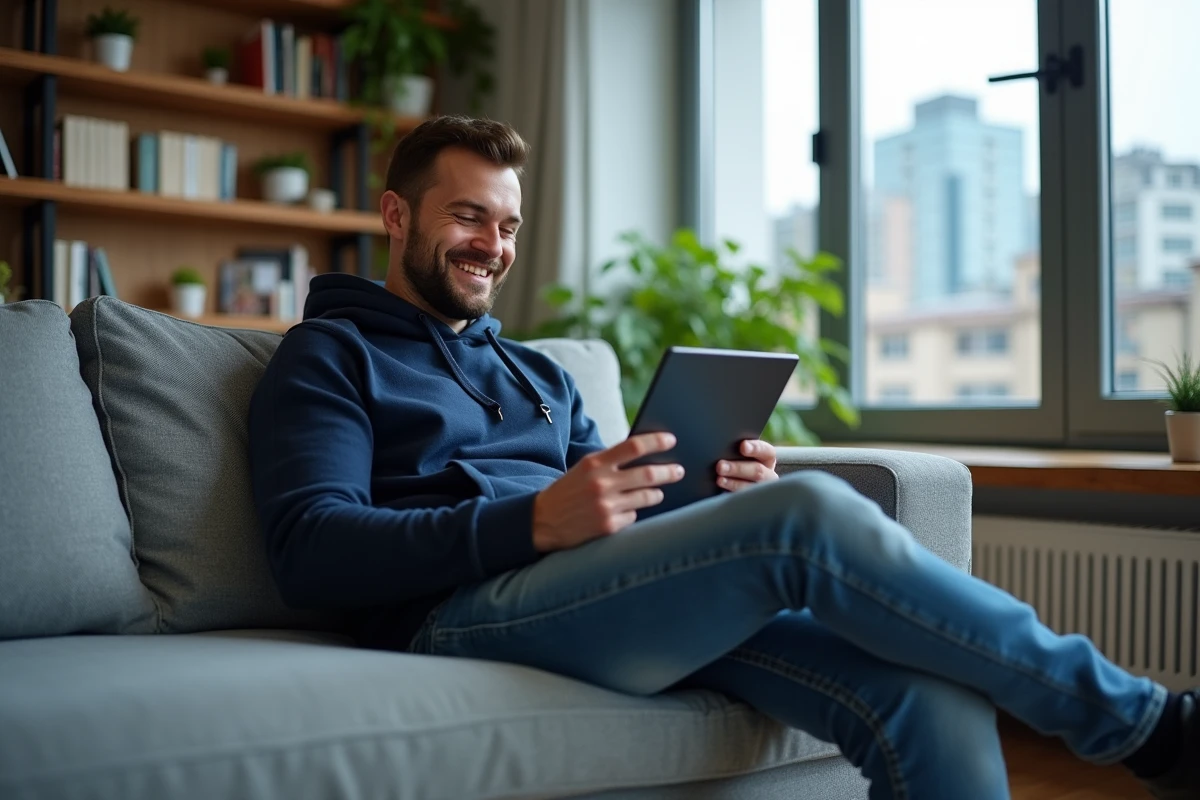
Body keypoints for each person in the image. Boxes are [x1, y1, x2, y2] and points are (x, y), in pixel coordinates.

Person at [247, 115, 1196, 799]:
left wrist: (714, 499)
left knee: (924, 694)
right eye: (467, 218)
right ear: (397, 216)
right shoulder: (331, 353)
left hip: (587, 594)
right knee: (809, 518)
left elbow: (618, 503)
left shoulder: (539, 372)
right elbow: (312, 547)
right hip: (450, 613)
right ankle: (1141, 726)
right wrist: (534, 520)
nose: (492, 246)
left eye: (506, 226)